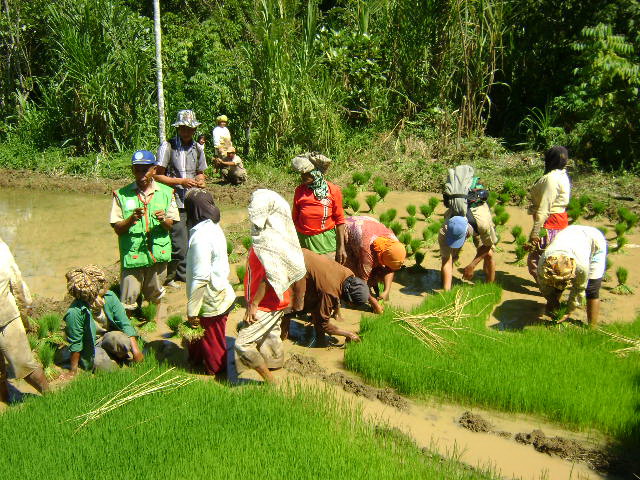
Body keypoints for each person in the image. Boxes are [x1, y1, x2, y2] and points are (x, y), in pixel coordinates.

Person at [235, 189, 306, 383]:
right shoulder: (277, 233)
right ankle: (276, 369)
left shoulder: (268, 240)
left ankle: (270, 381)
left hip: (266, 302)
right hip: (279, 299)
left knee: (242, 344)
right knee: (270, 336)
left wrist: (253, 303)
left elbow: (271, 276)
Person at [110, 150, 178, 316]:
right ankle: (130, 331)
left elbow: (171, 225)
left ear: (154, 169)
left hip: (157, 255)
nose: (141, 174)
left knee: (155, 295)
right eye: (137, 170)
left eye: (145, 169)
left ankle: (153, 324)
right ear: (132, 170)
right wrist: (131, 219)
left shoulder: (167, 193)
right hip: (133, 256)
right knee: (128, 299)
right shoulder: (121, 195)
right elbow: (117, 228)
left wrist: (163, 220)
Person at [184, 189, 234, 377]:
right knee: (199, 338)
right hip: (220, 291)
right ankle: (195, 361)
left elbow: (201, 277)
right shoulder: (212, 226)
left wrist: (192, 310)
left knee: (214, 347)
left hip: (210, 299)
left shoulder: (200, 238)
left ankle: (219, 377)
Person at [155, 110, 207, 284]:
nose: (186, 132)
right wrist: (180, 181)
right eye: (183, 128)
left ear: (194, 130)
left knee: (195, 238)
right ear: (178, 128)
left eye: (189, 128)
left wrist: (200, 180)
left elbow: (201, 173)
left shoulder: (198, 149)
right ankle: (180, 277)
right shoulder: (167, 146)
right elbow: (157, 176)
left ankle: (188, 272)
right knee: (179, 242)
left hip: (193, 200)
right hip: (174, 200)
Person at [62, 266, 144, 377]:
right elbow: (76, 343)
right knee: (107, 370)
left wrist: (136, 352)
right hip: (90, 345)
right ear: (94, 289)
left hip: (107, 336)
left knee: (123, 341)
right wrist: (73, 371)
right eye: (102, 283)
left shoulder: (110, 297)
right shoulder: (75, 312)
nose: (106, 284)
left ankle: (114, 355)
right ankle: (106, 358)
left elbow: (124, 323)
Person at [0, 238, 49, 402]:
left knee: (23, 363)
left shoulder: (1, 249)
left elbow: (16, 283)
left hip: (5, 316)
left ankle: (52, 398)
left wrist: (25, 309)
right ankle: (6, 402)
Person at [286, 248, 367, 346]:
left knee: (312, 302)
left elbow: (331, 297)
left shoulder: (348, 274)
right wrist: (348, 334)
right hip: (294, 264)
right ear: (349, 298)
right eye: (352, 304)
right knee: (289, 308)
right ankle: (283, 336)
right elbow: (322, 323)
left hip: (302, 254)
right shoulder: (330, 291)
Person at [439, 166, 497, 291]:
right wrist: (446, 292)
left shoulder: (482, 223)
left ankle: (490, 287)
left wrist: (472, 265)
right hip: (461, 220)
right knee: (449, 257)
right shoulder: (444, 230)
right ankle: (446, 287)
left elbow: (487, 246)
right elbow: (445, 260)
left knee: (489, 255)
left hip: (478, 217)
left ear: (467, 233)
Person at [536, 225, 607, 328]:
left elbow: (579, 289)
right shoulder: (544, 263)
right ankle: (552, 312)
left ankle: (592, 327)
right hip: (570, 232)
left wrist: (568, 310)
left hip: (594, 240)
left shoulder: (581, 267)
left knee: (592, 288)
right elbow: (543, 286)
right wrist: (553, 302)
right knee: (555, 286)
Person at [343, 216, 406, 313]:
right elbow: (362, 282)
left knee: (376, 270)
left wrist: (386, 291)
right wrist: (375, 305)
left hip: (369, 226)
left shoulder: (394, 242)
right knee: (352, 271)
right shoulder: (367, 251)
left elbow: (390, 268)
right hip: (349, 229)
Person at [291, 153, 346, 263]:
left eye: (306, 173)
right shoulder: (300, 190)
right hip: (304, 242)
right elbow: (294, 218)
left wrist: (341, 247)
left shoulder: (332, 190)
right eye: (302, 174)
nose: (302, 176)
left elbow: (340, 220)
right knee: (307, 275)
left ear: (316, 173)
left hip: (325, 242)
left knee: (327, 276)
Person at [526, 146, 571, 279]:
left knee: (535, 261)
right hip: (560, 220)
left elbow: (544, 208)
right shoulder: (562, 175)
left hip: (550, 222)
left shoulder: (551, 179)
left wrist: (535, 232)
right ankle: (555, 286)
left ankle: (548, 290)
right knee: (555, 258)